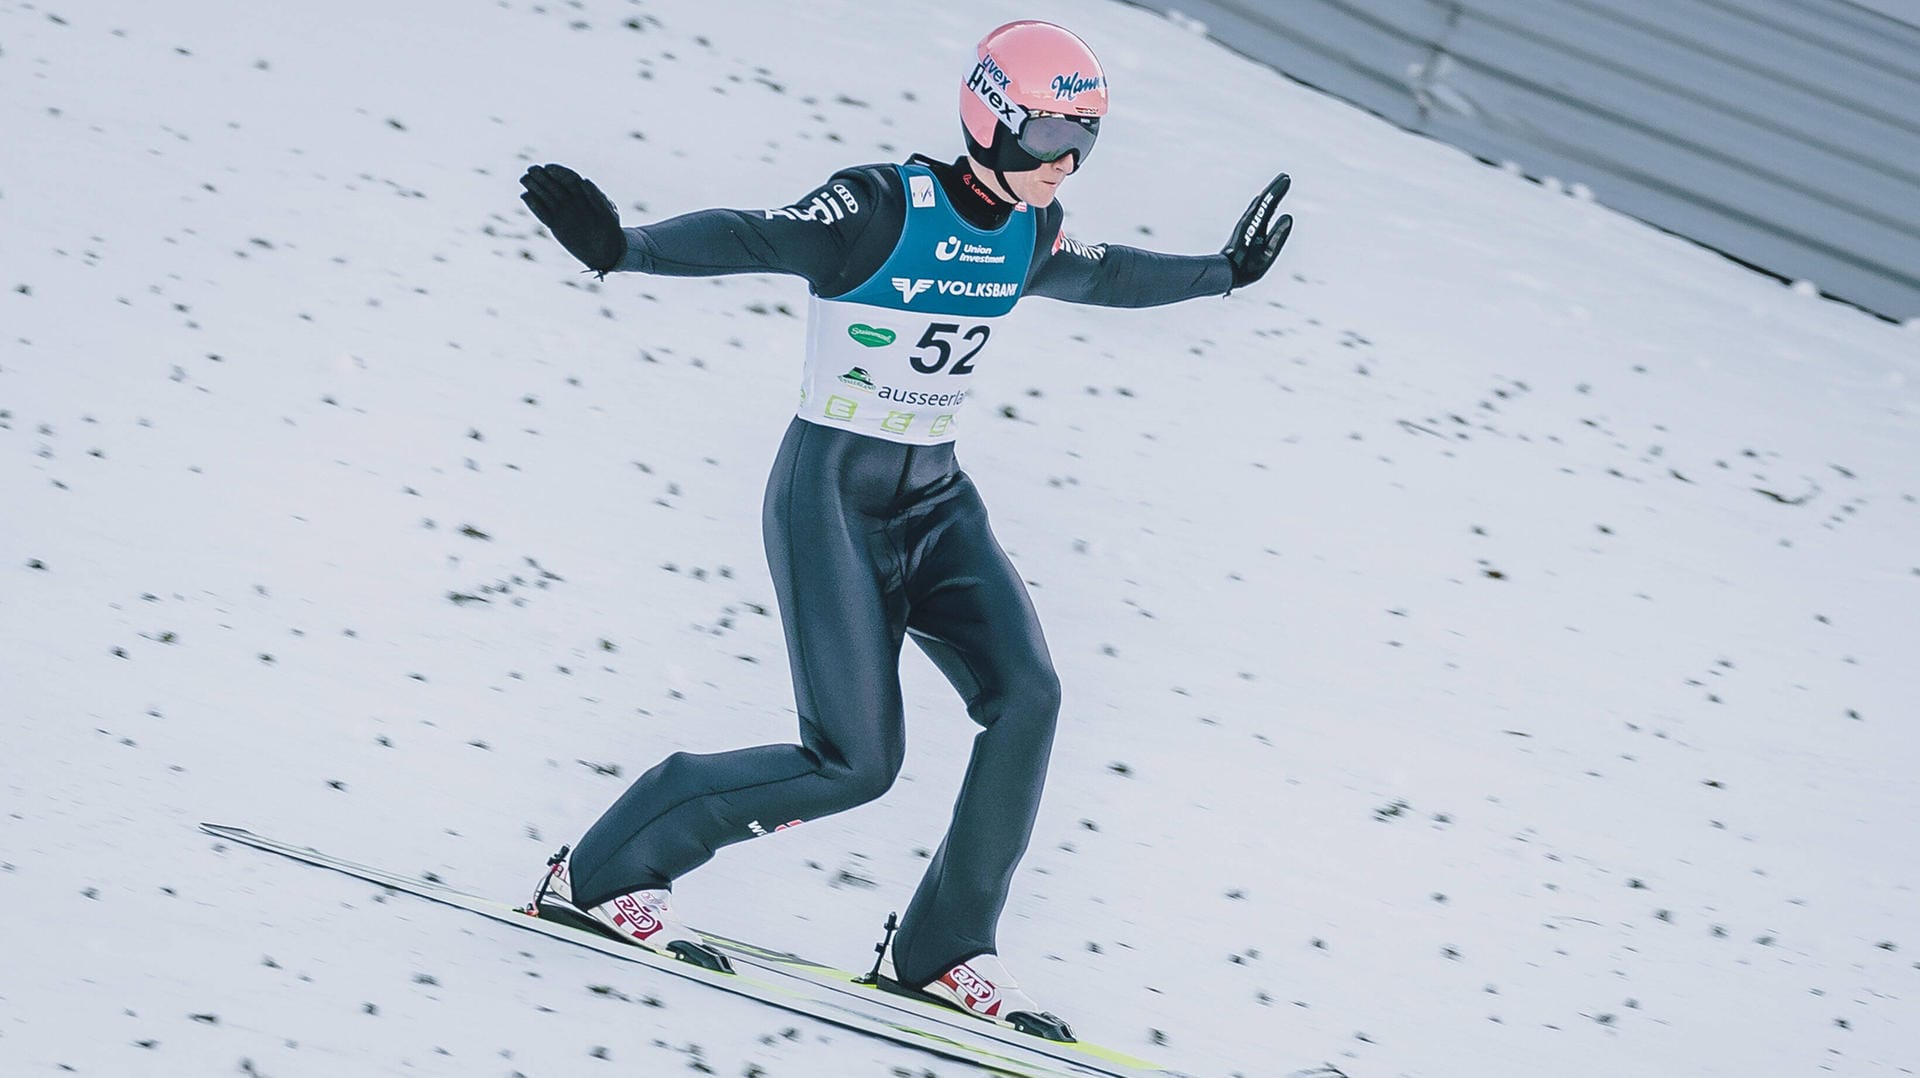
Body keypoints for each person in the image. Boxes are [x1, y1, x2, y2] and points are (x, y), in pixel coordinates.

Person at [515, 19, 1292, 1042]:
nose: (1066, 161)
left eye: (1087, 140)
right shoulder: (880, 208)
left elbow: (1108, 274)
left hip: (935, 499)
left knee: (1029, 696)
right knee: (854, 760)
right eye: (1052, 134)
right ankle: (608, 870)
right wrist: (625, 251)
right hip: (830, 493)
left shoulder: (1031, 231)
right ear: (990, 118)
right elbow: (755, 233)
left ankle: (942, 949)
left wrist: (1223, 272)